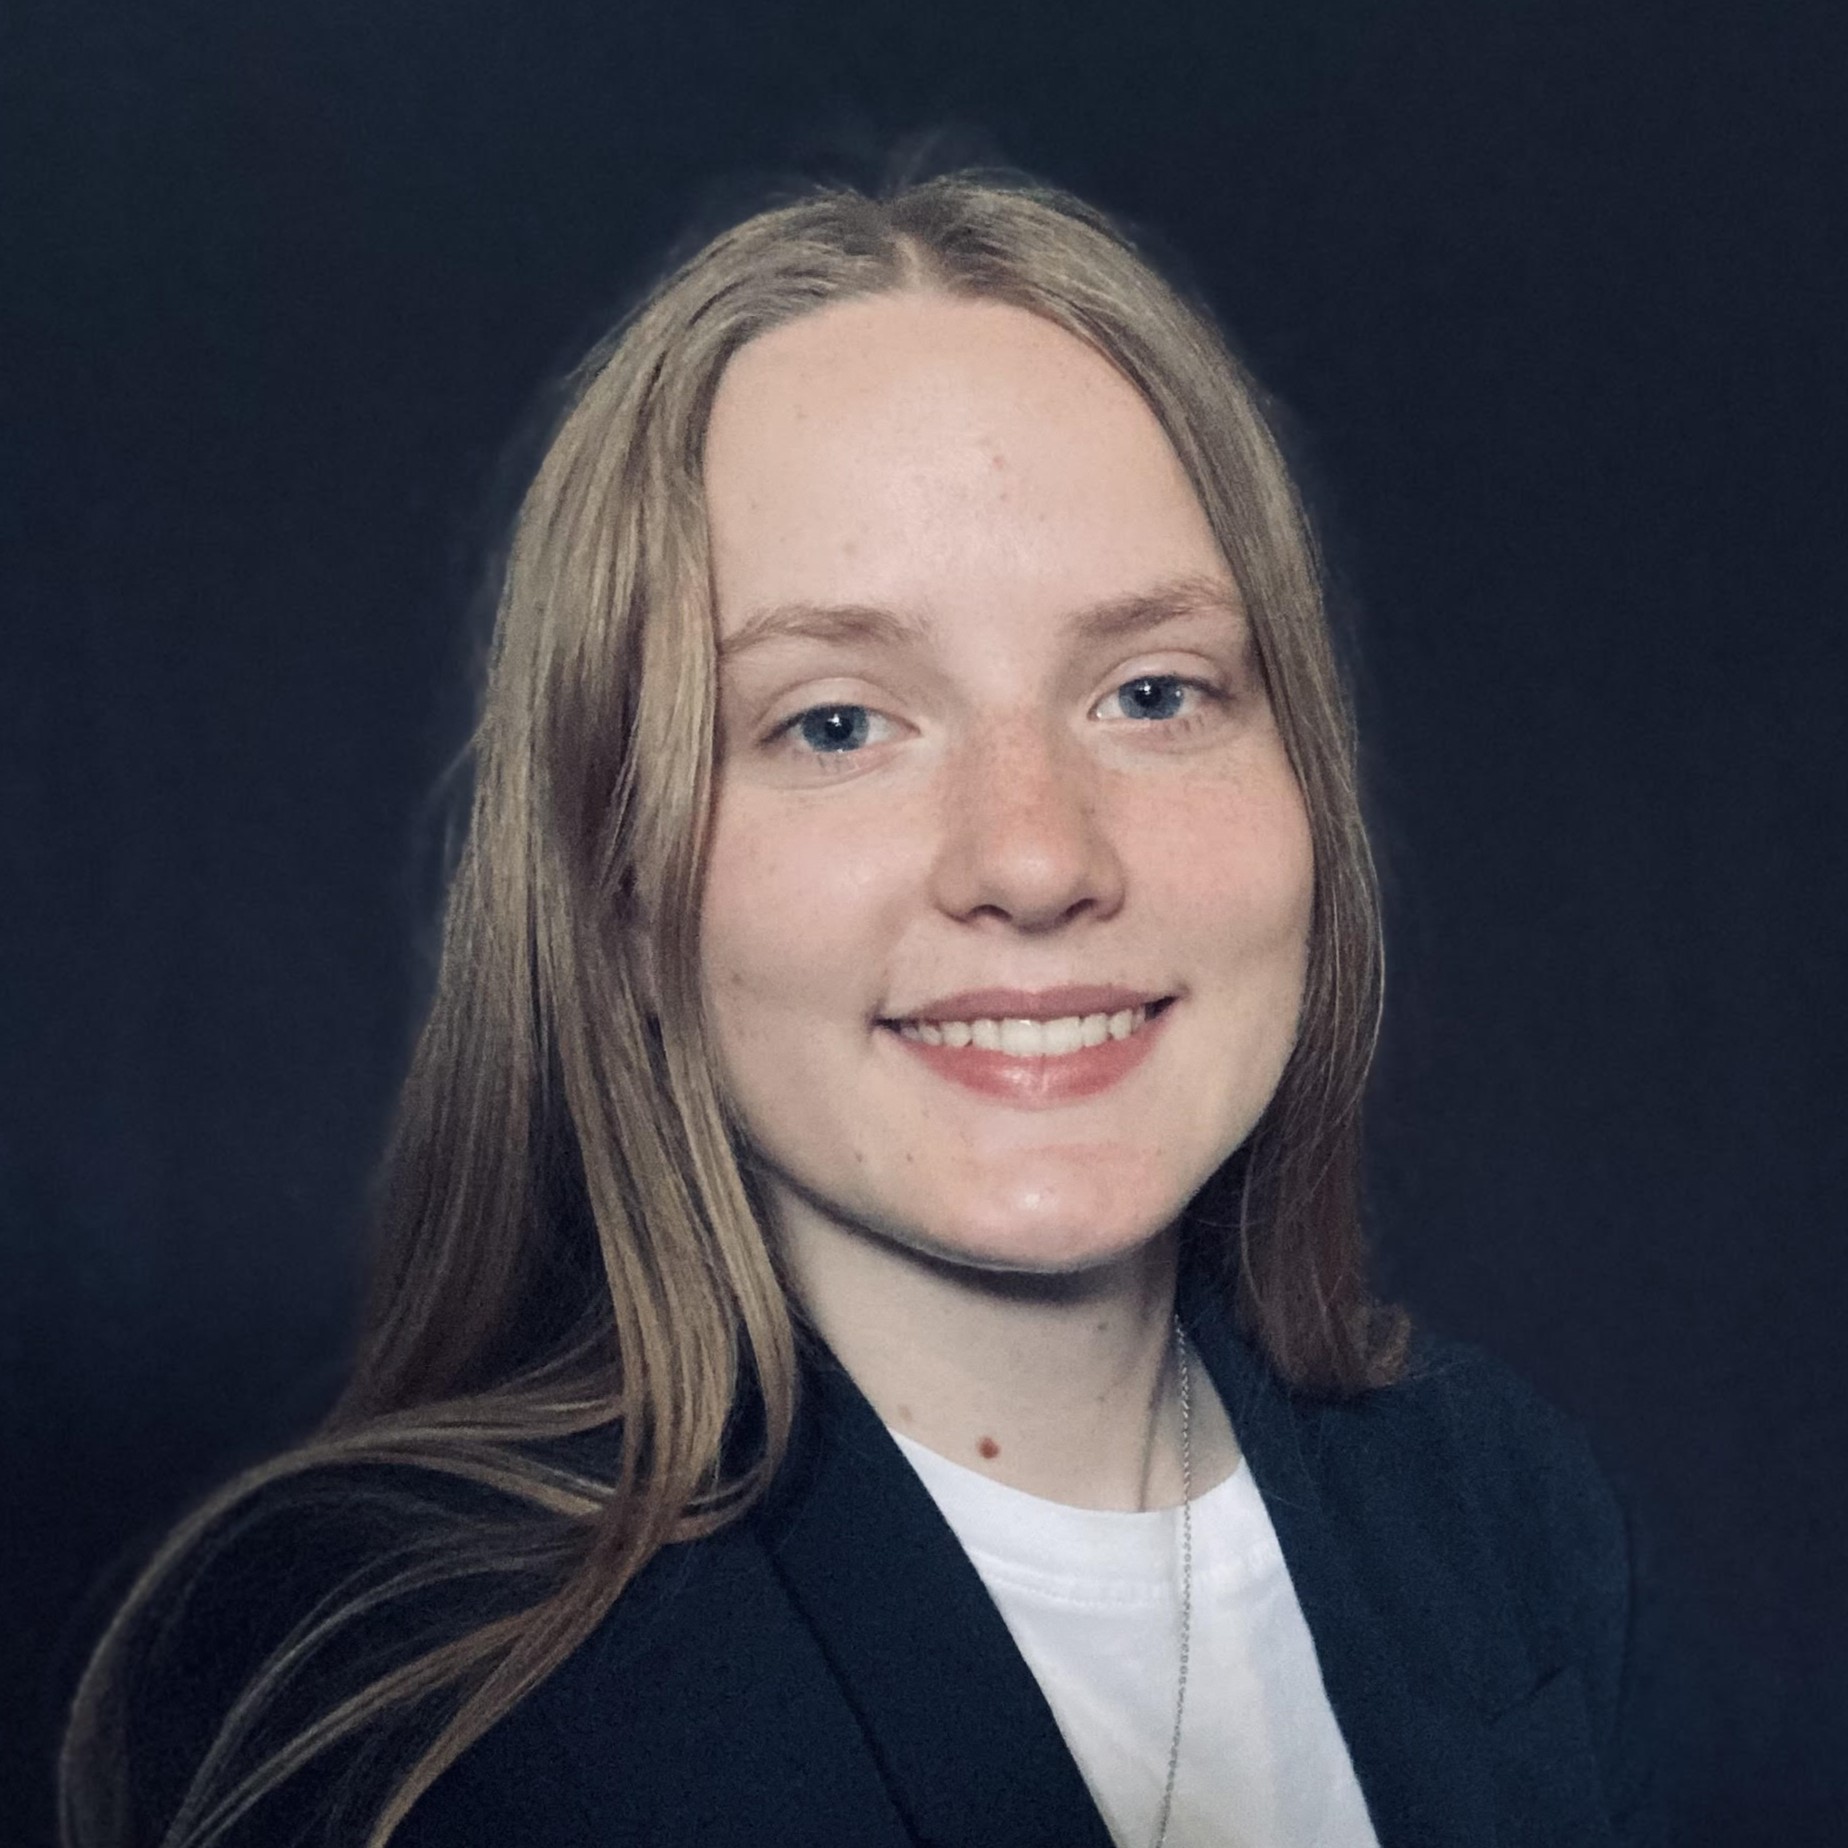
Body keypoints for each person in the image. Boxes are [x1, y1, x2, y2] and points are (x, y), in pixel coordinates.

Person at [60, 171, 1664, 1848]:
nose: (1035, 855)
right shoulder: (379, 1688)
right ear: (620, 871)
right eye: (836, 723)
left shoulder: (1507, 1517)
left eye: (1154, 690)